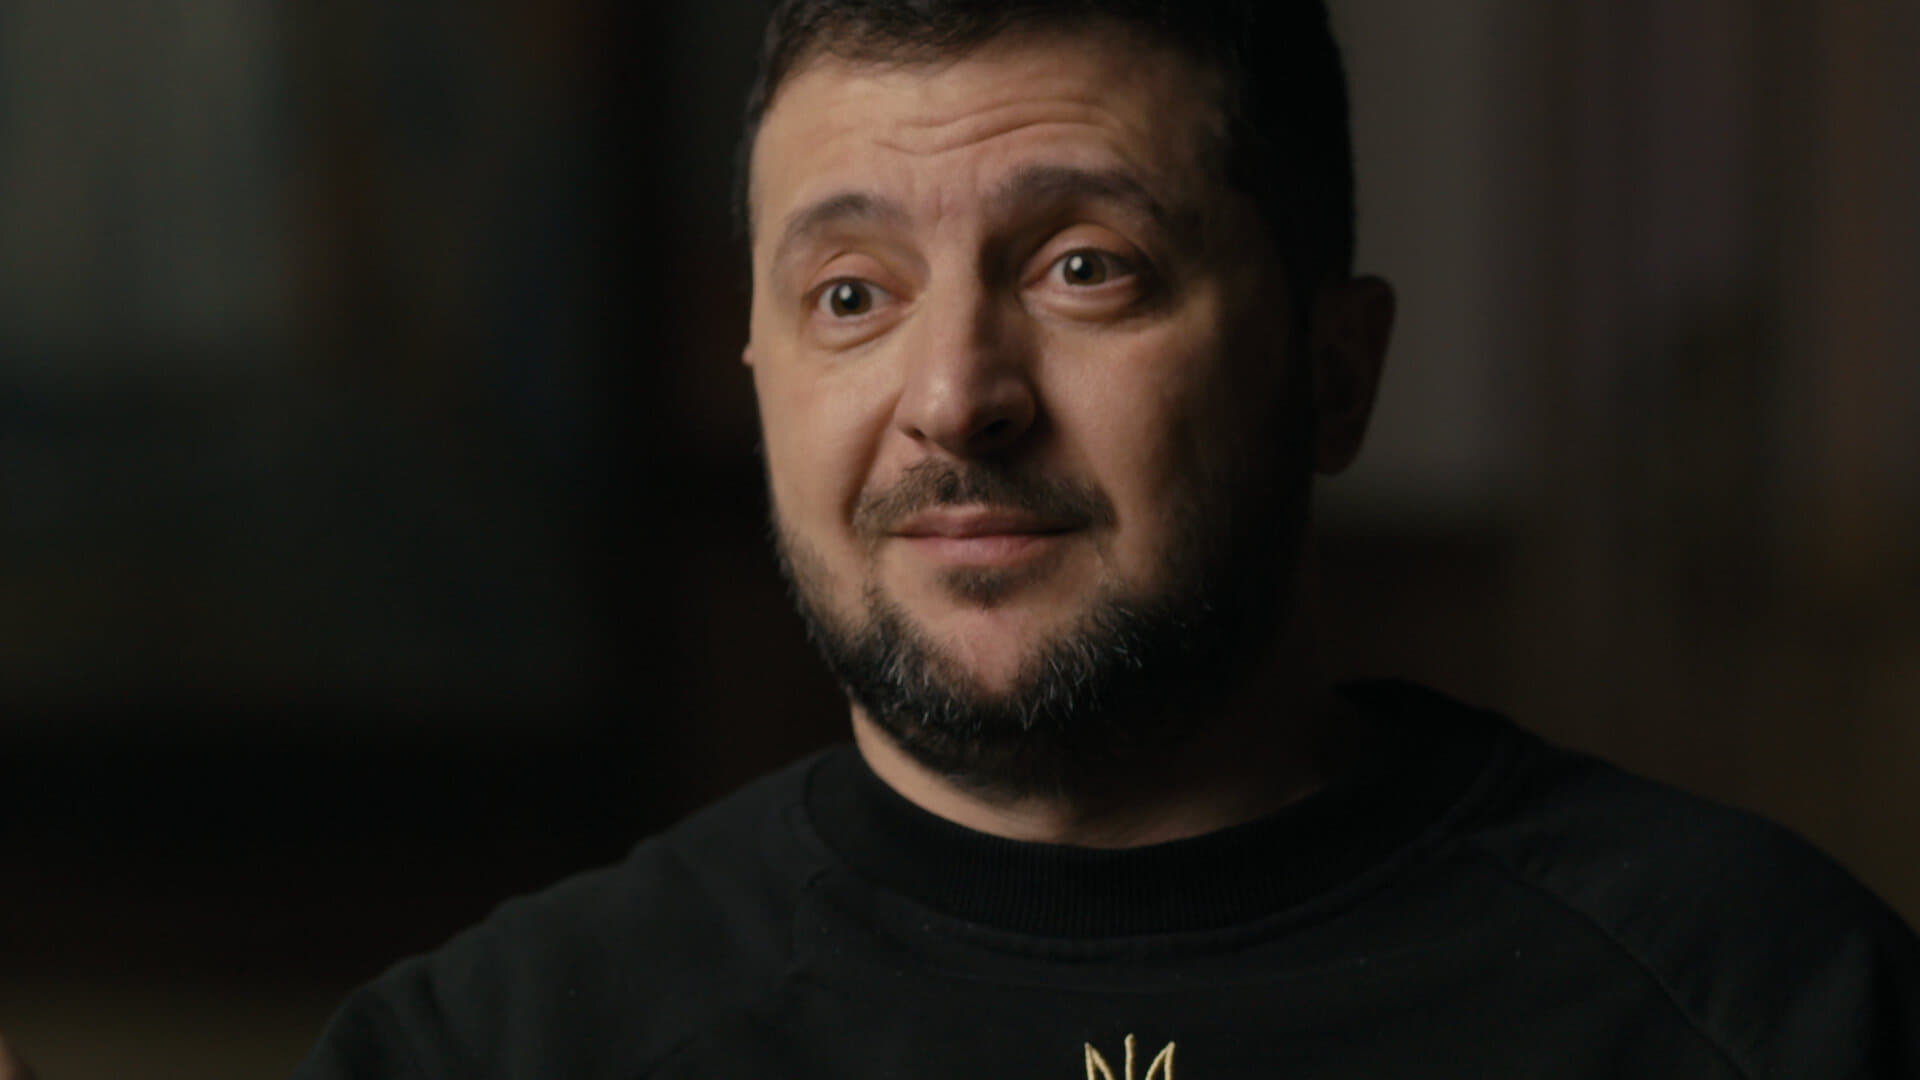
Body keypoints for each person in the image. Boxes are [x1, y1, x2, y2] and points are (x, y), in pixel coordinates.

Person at [296, 1, 1920, 1075]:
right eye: (852, 295)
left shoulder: (1763, 1007)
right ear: (760, 380)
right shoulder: (487, 1053)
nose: (955, 397)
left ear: (1334, 373)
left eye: (1086, 269)